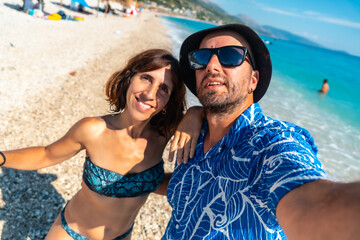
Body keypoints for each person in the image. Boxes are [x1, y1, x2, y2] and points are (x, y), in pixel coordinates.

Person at [163, 24, 360, 239]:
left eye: (230, 56)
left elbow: (313, 200)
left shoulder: (272, 143)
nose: (211, 66)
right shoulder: (193, 136)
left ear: (253, 80)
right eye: (201, 58)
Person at [0, 49, 197, 240]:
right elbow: (46, 154)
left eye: (164, 88)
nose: (150, 93)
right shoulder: (93, 130)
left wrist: (196, 112)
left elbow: (177, 182)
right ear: (129, 77)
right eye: (146, 78)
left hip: (122, 236)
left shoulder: (165, 135)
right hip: (72, 233)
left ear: (169, 100)